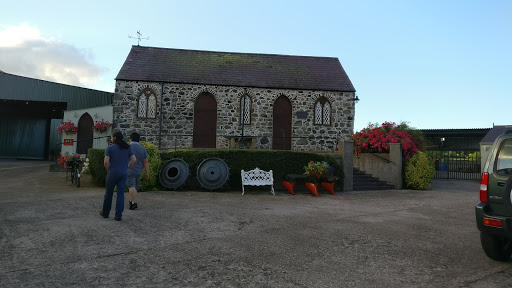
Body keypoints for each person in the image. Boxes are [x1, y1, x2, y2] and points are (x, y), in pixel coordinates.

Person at [100, 131, 136, 221]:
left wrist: (109, 169)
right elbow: (134, 160)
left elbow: (106, 162)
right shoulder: (127, 147)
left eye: (112, 137)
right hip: (123, 173)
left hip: (112, 173)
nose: (111, 139)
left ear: (115, 138)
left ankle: (105, 212)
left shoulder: (110, 148)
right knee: (120, 195)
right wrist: (128, 167)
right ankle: (118, 215)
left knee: (109, 193)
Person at [127, 132, 149, 210]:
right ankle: (131, 200)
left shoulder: (127, 147)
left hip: (129, 169)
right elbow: (146, 161)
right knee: (135, 186)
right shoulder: (143, 148)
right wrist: (147, 172)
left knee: (131, 186)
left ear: (130, 139)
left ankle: (133, 203)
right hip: (138, 170)